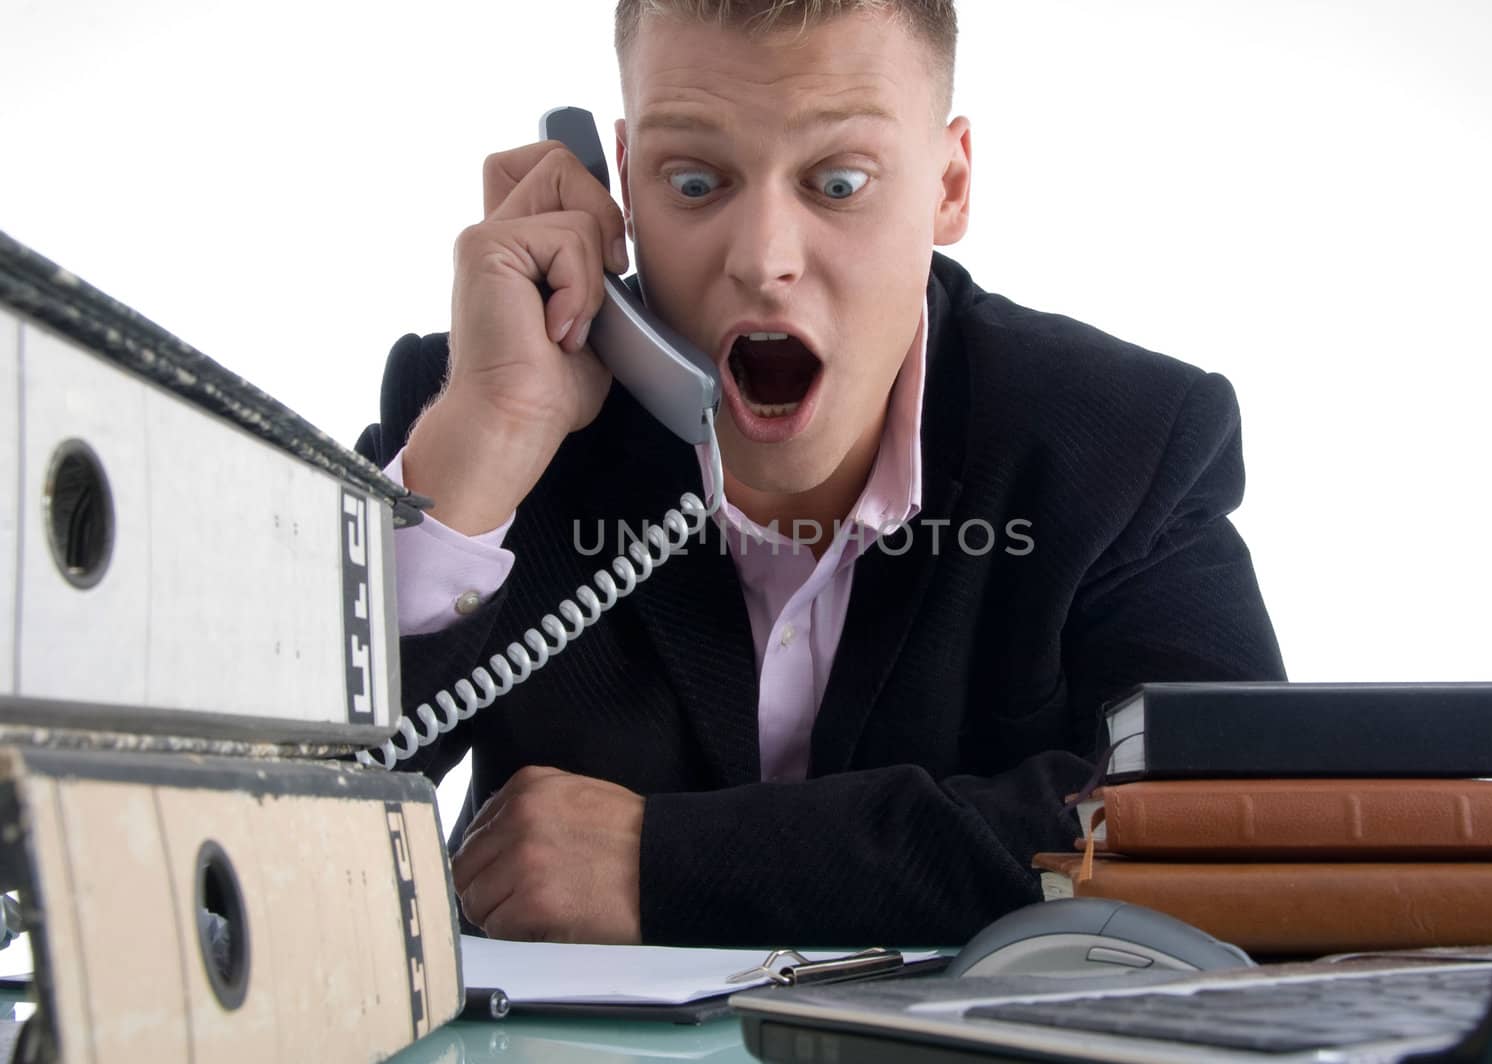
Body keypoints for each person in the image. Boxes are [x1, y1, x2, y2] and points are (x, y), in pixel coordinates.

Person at [355, 0, 1285, 947]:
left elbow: (1227, 824)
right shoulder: (483, 400)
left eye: (838, 182)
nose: (764, 261)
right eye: (692, 181)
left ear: (949, 187)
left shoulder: (1129, 442)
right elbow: (242, 802)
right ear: (618, 188)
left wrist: (672, 864)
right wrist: (486, 444)